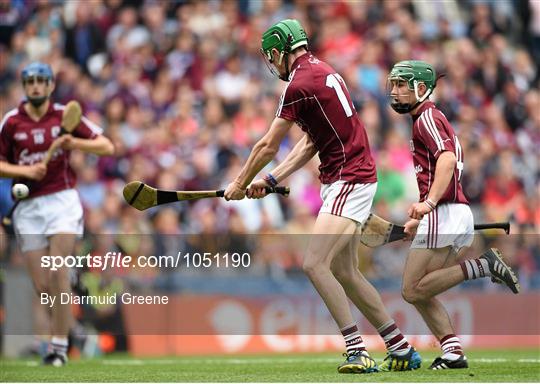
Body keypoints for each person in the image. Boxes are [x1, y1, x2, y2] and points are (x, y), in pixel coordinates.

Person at [224, 19, 421, 373]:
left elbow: (268, 144)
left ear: (280, 51)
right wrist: (270, 179)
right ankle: (400, 346)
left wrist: (240, 181)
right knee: (345, 272)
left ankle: (356, 349)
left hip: (350, 177)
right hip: (348, 175)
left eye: (272, 55)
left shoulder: (298, 85)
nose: (272, 63)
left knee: (314, 264)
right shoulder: (322, 71)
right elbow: (311, 142)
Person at [386, 60, 520, 370]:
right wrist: (420, 216)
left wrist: (429, 205)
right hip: (451, 213)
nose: (394, 91)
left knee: (411, 289)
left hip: (445, 212)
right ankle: (453, 352)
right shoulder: (428, 118)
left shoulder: (426, 118)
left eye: (401, 85)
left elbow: (446, 160)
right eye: (392, 84)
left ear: (421, 88)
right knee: (423, 289)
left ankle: (483, 265)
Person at [0, 62, 114, 366]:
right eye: (30, 81)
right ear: (25, 86)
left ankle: (58, 348)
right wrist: (24, 170)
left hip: (62, 201)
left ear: (50, 86)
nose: (36, 86)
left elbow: (106, 146)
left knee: (57, 271)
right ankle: (70, 330)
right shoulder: (11, 123)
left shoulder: (64, 116)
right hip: (28, 209)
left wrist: (72, 141)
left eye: (42, 81)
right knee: (43, 286)